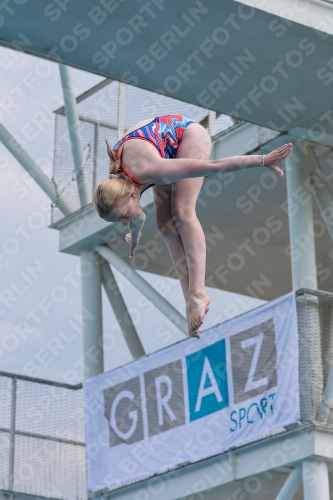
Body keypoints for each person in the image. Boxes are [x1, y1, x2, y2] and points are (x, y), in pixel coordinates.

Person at [93, 114, 292, 339]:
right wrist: (134, 241)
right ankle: (190, 301)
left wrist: (264, 160)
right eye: (121, 221)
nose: (126, 222)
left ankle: (197, 293)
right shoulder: (120, 189)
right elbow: (136, 220)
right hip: (161, 147)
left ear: (131, 194)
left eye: (125, 217)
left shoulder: (149, 170)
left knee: (182, 212)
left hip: (186, 135)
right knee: (164, 225)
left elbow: (214, 166)